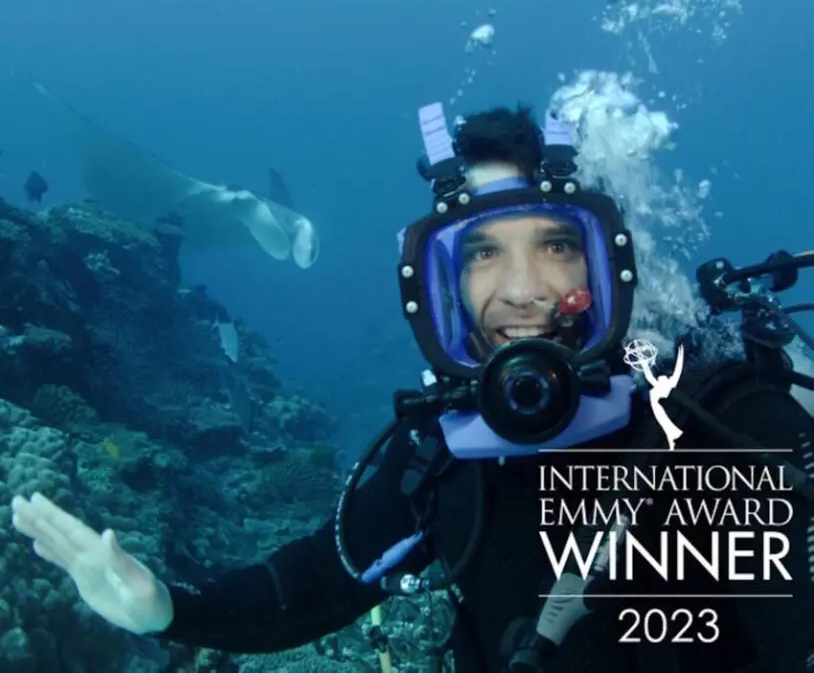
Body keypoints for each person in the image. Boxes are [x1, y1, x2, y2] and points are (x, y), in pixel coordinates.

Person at [11, 102, 814, 672]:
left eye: (557, 245)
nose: (522, 289)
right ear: (441, 281)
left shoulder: (723, 418)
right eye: (482, 252)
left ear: (610, 262)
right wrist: (171, 609)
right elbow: (316, 583)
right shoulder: (440, 453)